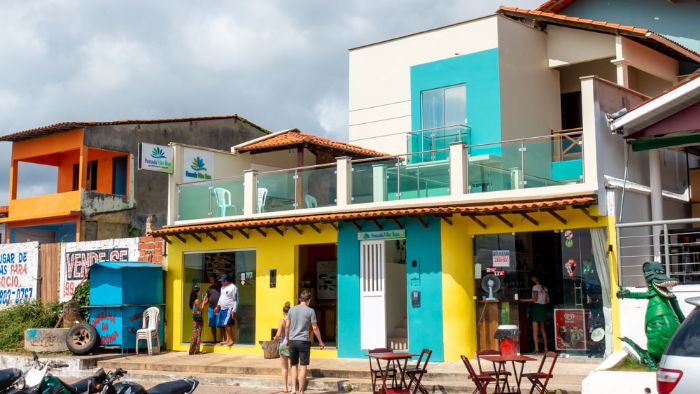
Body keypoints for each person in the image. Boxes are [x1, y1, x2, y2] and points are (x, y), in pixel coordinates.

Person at [284, 290, 324, 394]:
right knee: (303, 366)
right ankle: (301, 390)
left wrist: (287, 339)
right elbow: (315, 328)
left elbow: (287, 326)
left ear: (300, 299)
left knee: (293, 365)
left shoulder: (291, 310)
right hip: (304, 342)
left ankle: (293, 389)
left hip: (293, 341)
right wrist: (320, 341)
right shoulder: (310, 311)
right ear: (309, 300)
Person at [523, 275, 549, 353]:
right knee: (543, 329)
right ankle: (546, 348)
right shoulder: (544, 288)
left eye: (532, 277)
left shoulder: (535, 287)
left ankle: (537, 348)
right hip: (543, 308)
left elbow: (535, 299)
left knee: (535, 331)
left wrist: (523, 300)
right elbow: (548, 300)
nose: (531, 279)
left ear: (535, 278)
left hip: (536, 308)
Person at [273, 301, 292, 393]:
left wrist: (275, 338)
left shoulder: (282, 321)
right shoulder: (293, 321)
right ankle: (294, 388)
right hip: (293, 345)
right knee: (294, 367)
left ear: (283, 312)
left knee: (284, 368)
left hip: (283, 345)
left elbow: (278, 335)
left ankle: (285, 388)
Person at [214, 274, 238, 346]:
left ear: (226, 280)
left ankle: (231, 340)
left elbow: (235, 300)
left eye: (222, 281)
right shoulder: (222, 288)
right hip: (223, 308)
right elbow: (221, 298)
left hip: (229, 308)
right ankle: (227, 340)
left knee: (226, 324)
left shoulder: (233, 287)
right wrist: (217, 307)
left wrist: (234, 310)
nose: (221, 282)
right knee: (224, 324)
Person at [202, 273, 222, 343]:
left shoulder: (220, 287)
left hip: (219, 308)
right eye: (210, 280)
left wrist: (219, 306)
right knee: (212, 325)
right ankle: (215, 340)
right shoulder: (209, 288)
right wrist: (204, 303)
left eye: (212, 279)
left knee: (220, 324)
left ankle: (222, 340)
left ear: (215, 279)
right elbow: (207, 299)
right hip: (211, 308)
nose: (211, 281)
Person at [188, 286, 203, 355]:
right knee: (198, 334)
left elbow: (194, 310)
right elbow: (201, 308)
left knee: (194, 333)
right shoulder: (197, 300)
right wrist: (205, 301)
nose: (200, 292)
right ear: (197, 292)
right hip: (199, 318)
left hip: (194, 318)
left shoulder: (192, 300)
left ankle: (191, 350)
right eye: (199, 291)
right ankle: (196, 350)